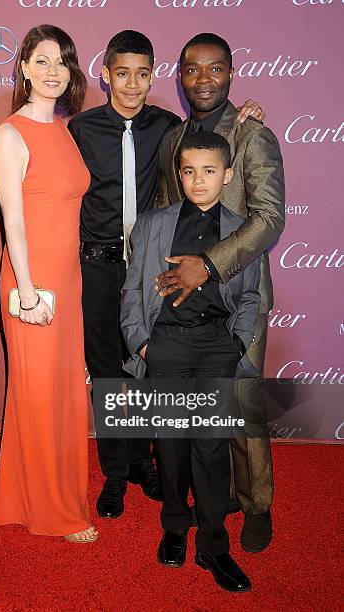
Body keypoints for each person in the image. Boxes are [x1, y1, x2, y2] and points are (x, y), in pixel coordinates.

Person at [68, 30, 265, 520]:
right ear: (105, 74)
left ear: (154, 75)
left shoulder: (170, 128)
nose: (132, 84)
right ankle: (117, 472)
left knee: (152, 367)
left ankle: (149, 463)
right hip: (98, 263)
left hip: (156, 267)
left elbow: (213, 144)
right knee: (111, 371)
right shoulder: (81, 129)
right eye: (121, 73)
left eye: (141, 73)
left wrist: (247, 114)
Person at [155, 33, 285, 552]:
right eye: (191, 70)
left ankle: (257, 505)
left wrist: (208, 265)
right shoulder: (173, 139)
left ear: (230, 73)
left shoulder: (254, 135)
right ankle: (219, 494)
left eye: (214, 69)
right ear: (180, 76)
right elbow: (167, 213)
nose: (202, 79)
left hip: (239, 295)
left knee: (243, 403)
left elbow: (270, 218)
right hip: (185, 297)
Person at [120, 131, 261, 592]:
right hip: (167, 345)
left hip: (217, 347)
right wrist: (142, 344)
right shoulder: (151, 224)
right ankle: (175, 528)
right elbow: (133, 290)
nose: (197, 181)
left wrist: (238, 344)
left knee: (212, 446)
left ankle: (214, 545)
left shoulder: (242, 230)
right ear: (178, 175)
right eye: (188, 171)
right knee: (173, 443)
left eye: (208, 171)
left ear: (227, 174)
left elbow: (251, 296)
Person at [0, 25, 97, 543]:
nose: (55, 71)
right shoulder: (10, 134)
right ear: (25, 68)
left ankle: (19, 496)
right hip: (31, 282)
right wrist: (28, 291)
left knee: (57, 394)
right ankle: (53, 513)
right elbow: (13, 221)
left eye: (63, 62)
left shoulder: (62, 129)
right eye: (43, 60)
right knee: (37, 394)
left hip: (67, 281)